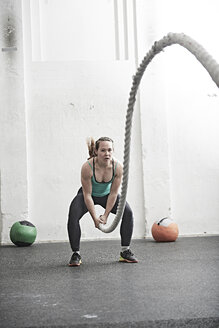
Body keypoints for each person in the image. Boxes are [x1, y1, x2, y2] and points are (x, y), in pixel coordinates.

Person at [67, 137, 138, 266]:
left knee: (127, 213)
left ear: (113, 151)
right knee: (73, 214)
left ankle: (125, 251)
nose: (107, 154)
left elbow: (113, 193)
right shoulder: (87, 167)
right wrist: (95, 218)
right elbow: (87, 195)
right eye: (103, 150)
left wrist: (105, 215)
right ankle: (76, 253)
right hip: (87, 195)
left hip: (107, 195)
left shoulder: (117, 167)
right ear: (96, 151)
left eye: (110, 150)